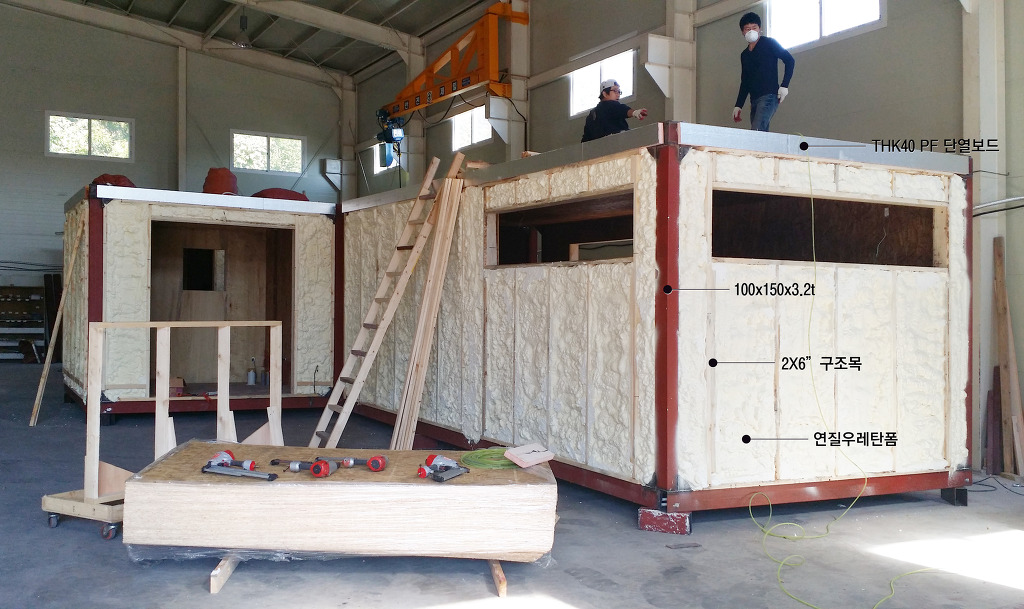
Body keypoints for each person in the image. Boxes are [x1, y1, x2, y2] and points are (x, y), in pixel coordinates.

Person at [732, 12, 795, 132]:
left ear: (759, 29)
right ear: (742, 32)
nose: (751, 31)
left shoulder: (769, 43)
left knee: (757, 131)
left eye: (754, 28)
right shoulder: (745, 55)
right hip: (754, 99)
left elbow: (789, 60)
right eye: (747, 29)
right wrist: (738, 105)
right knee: (761, 133)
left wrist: (784, 85)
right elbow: (745, 81)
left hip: (769, 95)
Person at [581, 79, 648, 142]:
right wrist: (634, 112)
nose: (618, 94)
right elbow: (621, 109)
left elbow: (586, 138)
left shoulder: (591, 114)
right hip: (617, 143)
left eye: (619, 92)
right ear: (605, 94)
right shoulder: (611, 106)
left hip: (599, 148)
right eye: (615, 91)